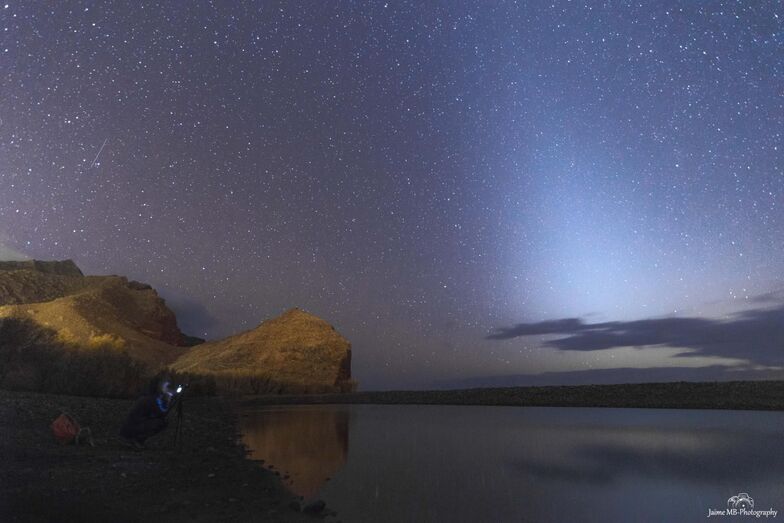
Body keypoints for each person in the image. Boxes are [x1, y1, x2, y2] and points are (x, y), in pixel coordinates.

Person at [119, 379, 177, 449]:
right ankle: (136, 440)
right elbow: (162, 413)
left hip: (131, 426)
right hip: (133, 427)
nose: (167, 389)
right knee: (161, 423)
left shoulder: (150, 397)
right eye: (166, 387)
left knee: (158, 421)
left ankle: (136, 440)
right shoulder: (154, 399)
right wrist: (168, 401)